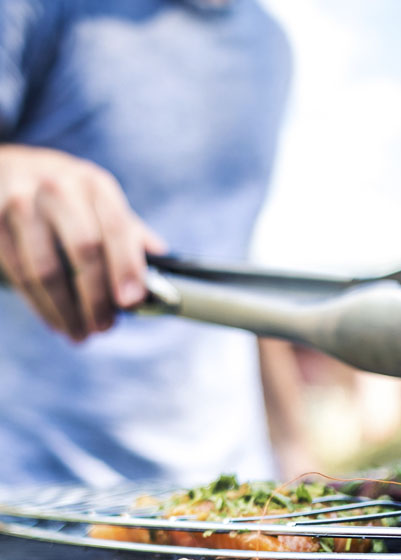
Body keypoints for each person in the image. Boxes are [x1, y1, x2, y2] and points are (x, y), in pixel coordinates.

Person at [0, 0, 297, 486]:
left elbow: (234, 257)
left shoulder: (271, 45)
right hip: (36, 495)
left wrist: (292, 447)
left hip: (232, 497)